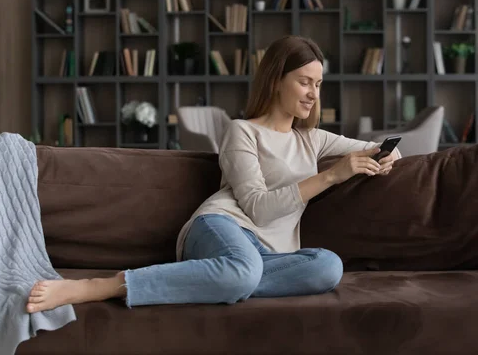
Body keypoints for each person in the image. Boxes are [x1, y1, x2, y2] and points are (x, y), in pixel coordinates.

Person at [25, 35, 401, 313]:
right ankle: (104, 286)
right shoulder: (242, 131)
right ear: (276, 80)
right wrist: (332, 176)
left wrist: (383, 157)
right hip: (223, 227)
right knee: (241, 270)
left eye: (318, 85)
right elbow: (257, 209)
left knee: (328, 267)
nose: (313, 94)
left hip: (268, 256)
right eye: (304, 81)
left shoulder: (313, 139)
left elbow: (390, 148)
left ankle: (212, 280)